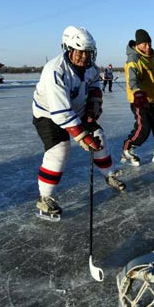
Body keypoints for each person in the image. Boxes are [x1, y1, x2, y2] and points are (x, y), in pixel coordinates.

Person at [32, 26, 126, 221]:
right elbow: (61, 113)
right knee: (60, 150)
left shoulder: (91, 67)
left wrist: (93, 105)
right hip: (48, 114)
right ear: (68, 49)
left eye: (88, 52)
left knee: (99, 137)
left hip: (77, 109)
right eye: (80, 52)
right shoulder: (55, 71)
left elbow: (94, 85)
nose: (85, 57)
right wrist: (82, 136)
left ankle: (109, 175)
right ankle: (45, 197)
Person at [121, 28, 154, 165]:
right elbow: (132, 81)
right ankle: (127, 149)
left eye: (149, 43)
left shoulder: (151, 59)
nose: (148, 47)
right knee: (143, 128)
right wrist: (138, 92)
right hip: (140, 100)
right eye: (144, 44)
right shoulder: (134, 60)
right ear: (138, 44)